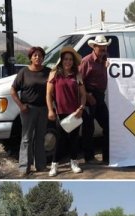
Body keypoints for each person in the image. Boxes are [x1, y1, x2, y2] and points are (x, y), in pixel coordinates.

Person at [46, 46, 87, 177]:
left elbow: (83, 94)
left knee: (74, 139)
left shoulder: (77, 75)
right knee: (60, 140)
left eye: (70, 59)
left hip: (75, 112)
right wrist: (50, 110)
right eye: (65, 59)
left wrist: (81, 108)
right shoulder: (54, 74)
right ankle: (54, 164)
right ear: (61, 60)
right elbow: (48, 94)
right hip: (60, 112)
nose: (68, 62)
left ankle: (74, 162)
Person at [11, 47, 51, 177]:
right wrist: (21, 105)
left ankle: (41, 166)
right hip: (28, 109)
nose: (38, 58)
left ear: (43, 57)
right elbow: (13, 90)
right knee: (27, 138)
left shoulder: (48, 72)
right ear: (30, 57)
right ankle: (24, 167)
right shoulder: (24, 72)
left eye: (40, 55)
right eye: (35, 55)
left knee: (40, 138)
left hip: (43, 109)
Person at [79, 35, 111, 164]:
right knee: (88, 128)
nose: (103, 51)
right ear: (95, 47)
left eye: (105, 48)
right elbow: (79, 81)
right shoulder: (86, 61)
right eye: (101, 48)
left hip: (100, 96)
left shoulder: (105, 61)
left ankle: (107, 156)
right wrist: (87, 95)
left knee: (107, 125)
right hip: (89, 96)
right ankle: (89, 157)